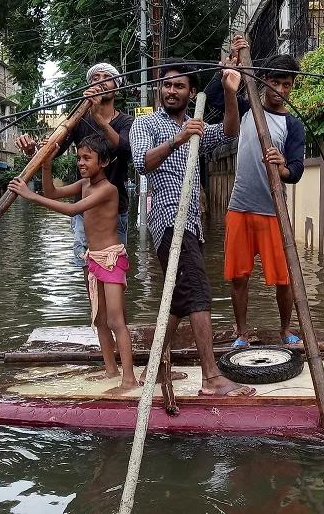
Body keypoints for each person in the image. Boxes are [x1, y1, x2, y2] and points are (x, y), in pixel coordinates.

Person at [130, 56, 256, 398]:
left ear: (191, 92)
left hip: (193, 224)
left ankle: (152, 369)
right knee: (199, 292)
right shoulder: (148, 125)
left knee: (179, 300)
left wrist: (230, 91)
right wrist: (178, 139)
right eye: (167, 85)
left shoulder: (197, 126)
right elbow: (142, 163)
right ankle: (211, 377)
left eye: (179, 86)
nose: (171, 91)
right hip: (169, 221)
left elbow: (229, 129)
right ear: (160, 89)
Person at [9, 134, 138, 393]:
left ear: (103, 162)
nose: (80, 162)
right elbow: (52, 192)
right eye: (79, 157)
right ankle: (111, 370)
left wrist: (29, 196)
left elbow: (71, 210)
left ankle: (129, 379)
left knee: (116, 321)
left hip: (112, 259)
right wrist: (46, 165)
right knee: (100, 320)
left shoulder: (108, 190)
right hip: (94, 261)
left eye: (86, 158)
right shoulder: (84, 184)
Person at [204, 35, 306, 348]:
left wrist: (282, 166)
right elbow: (212, 97)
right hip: (240, 207)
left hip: (273, 211)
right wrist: (228, 68)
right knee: (239, 277)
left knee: (284, 278)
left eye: (288, 84)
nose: (282, 90)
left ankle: (285, 330)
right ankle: (241, 333)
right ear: (263, 80)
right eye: (277, 82)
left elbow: (297, 171)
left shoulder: (293, 125)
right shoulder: (246, 108)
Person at [16, 63, 134, 273]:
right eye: (95, 78)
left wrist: (98, 118)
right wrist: (32, 151)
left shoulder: (126, 122)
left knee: (114, 271)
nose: (100, 81)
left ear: (116, 88)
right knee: (89, 272)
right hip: (84, 211)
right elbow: (53, 153)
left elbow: (125, 150)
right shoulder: (77, 121)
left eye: (106, 77)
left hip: (115, 210)